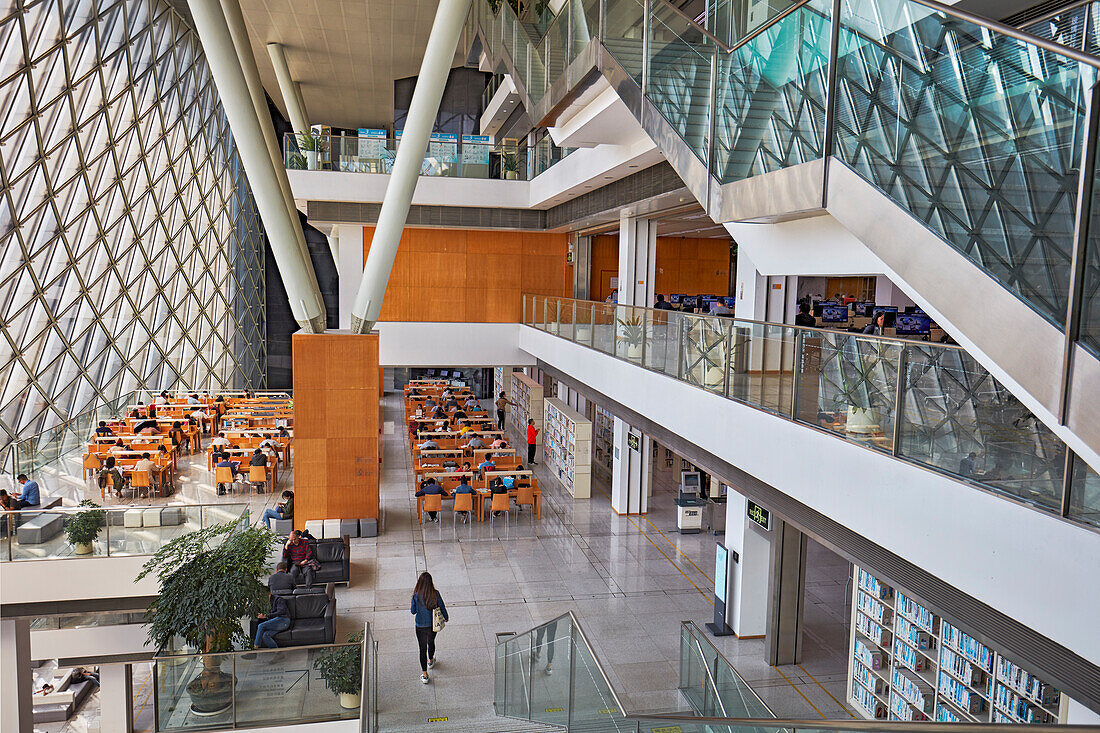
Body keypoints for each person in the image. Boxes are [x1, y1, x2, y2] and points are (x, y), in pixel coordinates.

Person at [411, 572, 448, 684]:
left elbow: (413, 611)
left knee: (422, 649)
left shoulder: (416, 596)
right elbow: (442, 606)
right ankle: (430, 660)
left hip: (420, 626)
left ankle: (425, 674)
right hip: (432, 625)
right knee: (431, 642)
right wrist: (446, 617)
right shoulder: (435, 594)